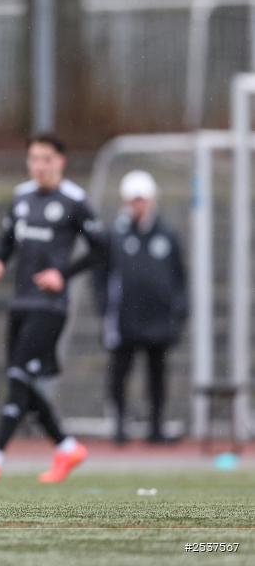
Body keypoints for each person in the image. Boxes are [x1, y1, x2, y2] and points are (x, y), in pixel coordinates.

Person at [0, 132, 105, 483]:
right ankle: (67, 447)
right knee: (22, 382)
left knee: (19, 377)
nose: (38, 166)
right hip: (21, 302)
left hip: (50, 306)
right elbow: (7, 239)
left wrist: (63, 273)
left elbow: (102, 249)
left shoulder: (74, 201)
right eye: (33, 159)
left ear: (60, 162)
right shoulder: (22, 197)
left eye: (46, 159)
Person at [94, 170, 187, 445]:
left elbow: (179, 277)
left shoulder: (167, 234)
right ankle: (119, 425)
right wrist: (104, 308)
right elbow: (100, 276)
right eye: (134, 200)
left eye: (143, 200)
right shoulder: (114, 235)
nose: (139, 205)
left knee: (157, 373)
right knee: (120, 371)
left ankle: (155, 427)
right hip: (125, 318)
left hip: (158, 319)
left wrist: (179, 311)